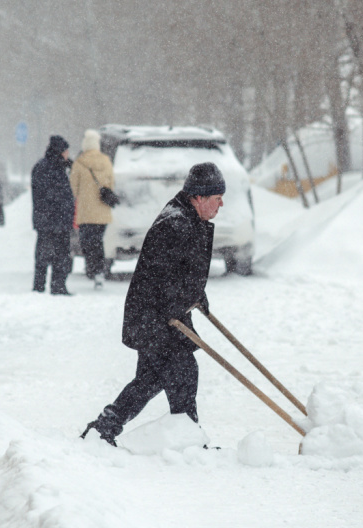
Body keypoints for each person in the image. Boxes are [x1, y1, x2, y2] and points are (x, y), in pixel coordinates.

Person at [81, 162, 225, 446]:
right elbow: (160, 276)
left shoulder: (187, 218)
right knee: (182, 372)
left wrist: (196, 294)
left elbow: (183, 270)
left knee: (150, 379)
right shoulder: (174, 224)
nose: (222, 204)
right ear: (199, 197)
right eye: (217, 198)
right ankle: (189, 441)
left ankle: (104, 428)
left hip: (160, 316)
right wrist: (179, 301)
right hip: (155, 317)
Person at [70, 129, 114, 289]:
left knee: (87, 242)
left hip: (86, 212)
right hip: (103, 212)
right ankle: (99, 272)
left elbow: (73, 189)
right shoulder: (106, 161)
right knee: (98, 241)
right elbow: (111, 184)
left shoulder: (79, 162)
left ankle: (92, 269)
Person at [31, 135, 74, 295]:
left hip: (48, 220)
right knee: (59, 255)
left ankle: (41, 286)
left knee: (45, 255)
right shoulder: (52, 168)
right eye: (66, 150)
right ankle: (56, 286)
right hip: (55, 219)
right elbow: (51, 194)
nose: (68, 154)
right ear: (60, 151)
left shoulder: (45, 166)